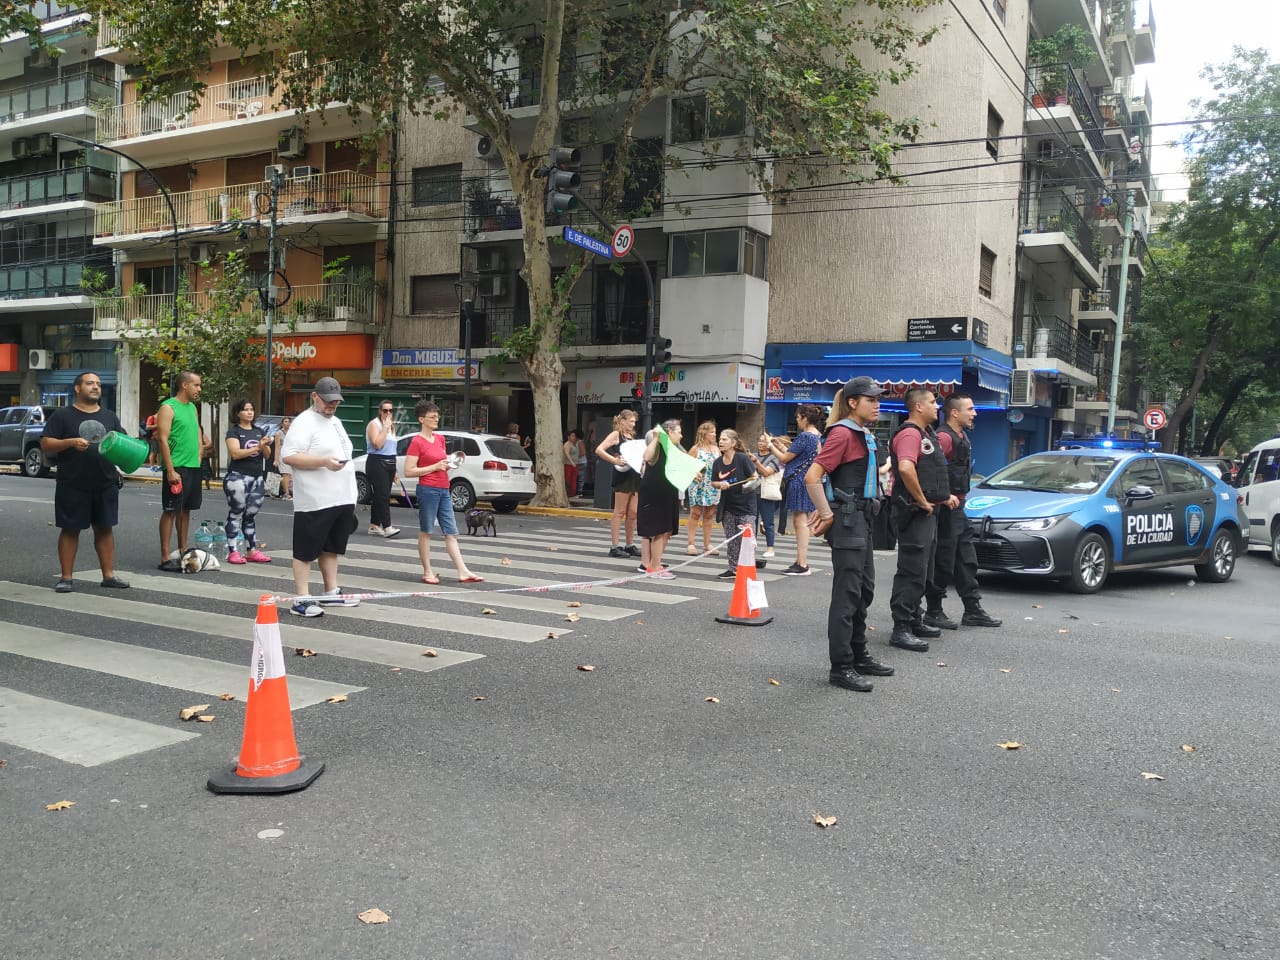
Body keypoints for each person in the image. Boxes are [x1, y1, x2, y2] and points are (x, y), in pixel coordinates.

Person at [805, 376, 895, 692]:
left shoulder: (862, 433)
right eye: (871, 399)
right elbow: (812, 476)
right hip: (848, 521)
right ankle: (841, 666)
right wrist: (827, 512)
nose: (877, 404)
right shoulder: (843, 433)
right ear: (853, 402)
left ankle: (859, 655)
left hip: (862, 520)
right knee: (847, 595)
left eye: (878, 399)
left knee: (863, 590)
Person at [39, 371, 130, 592]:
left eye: (98, 383)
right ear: (77, 388)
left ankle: (108, 575)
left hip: (105, 482)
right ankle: (66, 578)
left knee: (105, 529)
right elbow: (46, 443)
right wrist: (69, 442)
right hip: (72, 482)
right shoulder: (63, 415)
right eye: (90, 383)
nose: (95, 387)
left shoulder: (109, 416)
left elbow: (121, 443)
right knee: (70, 529)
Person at [280, 377, 362, 617]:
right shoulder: (304, 422)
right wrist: (323, 462)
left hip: (341, 497)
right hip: (315, 499)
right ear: (314, 396)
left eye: (336, 401)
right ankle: (302, 598)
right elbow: (289, 456)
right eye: (327, 401)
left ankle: (330, 591)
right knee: (305, 551)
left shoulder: (335, 421)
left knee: (331, 548)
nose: (331, 405)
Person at [887, 387, 958, 652]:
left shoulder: (926, 434)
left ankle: (914, 619)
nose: (936, 406)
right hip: (915, 513)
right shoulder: (910, 433)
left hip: (927, 513)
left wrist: (942, 497)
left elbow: (930, 473)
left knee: (924, 570)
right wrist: (922, 500)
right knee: (912, 570)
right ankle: (901, 628)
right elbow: (906, 468)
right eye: (931, 402)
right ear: (918, 407)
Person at [924, 393, 1002, 630]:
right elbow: (930, 471)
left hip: (959, 508)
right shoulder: (944, 437)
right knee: (944, 561)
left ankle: (972, 609)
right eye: (970, 409)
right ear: (954, 413)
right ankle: (933, 611)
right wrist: (943, 496)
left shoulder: (961, 436)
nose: (974, 413)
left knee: (967, 560)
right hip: (945, 509)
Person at [404, 400, 482, 585]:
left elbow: (441, 463)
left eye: (437, 416)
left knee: (451, 532)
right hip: (427, 489)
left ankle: (463, 571)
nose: (436, 419)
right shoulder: (416, 442)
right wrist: (434, 467)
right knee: (426, 531)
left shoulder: (440, 439)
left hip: (444, 487)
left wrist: (448, 464)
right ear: (421, 419)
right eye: (432, 417)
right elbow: (409, 471)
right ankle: (427, 571)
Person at [156, 371, 206, 572]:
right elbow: (162, 438)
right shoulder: (168, 407)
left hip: (193, 466)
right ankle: (165, 556)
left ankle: (182, 549)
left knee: (186, 510)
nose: (199, 389)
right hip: (177, 466)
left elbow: (197, 430)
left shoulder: (192, 408)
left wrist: (200, 450)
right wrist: (170, 469)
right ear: (184, 385)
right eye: (196, 385)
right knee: (171, 510)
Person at [769, 403, 824, 575]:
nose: (797, 421)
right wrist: (779, 445)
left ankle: (802, 563)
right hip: (808, 479)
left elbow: (785, 458)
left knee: (800, 521)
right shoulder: (817, 436)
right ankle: (800, 561)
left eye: (798, 417)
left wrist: (770, 445)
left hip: (799, 480)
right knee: (800, 520)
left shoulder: (805, 436)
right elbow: (795, 454)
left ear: (804, 418)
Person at [222, 398, 273, 565]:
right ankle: (233, 551)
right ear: (238, 413)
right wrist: (257, 447)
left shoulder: (259, 431)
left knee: (250, 515)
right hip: (238, 476)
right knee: (237, 511)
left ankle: (251, 550)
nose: (249, 412)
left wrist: (264, 445)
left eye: (251, 409)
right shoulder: (234, 432)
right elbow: (235, 453)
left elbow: (267, 455)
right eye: (245, 409)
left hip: (257, 477)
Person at [636, 420, 687, 579]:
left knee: (667, 530)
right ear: (669, 432)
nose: (681, 435)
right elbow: (646, 456)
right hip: (654, 491)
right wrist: (656, 438)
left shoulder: (674, 448)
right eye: (678, 432)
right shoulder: (658, 446)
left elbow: (682, 463)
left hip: (668, 490)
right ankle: (654, 567)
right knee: (658, 530)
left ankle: (655, 563)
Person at [709, 428, 757, 580]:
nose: (720, 442)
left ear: (733, 443)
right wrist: (720, 484)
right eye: (720, 439)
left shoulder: (742, 459)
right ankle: (733, 568)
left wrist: (744, 485)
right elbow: (713, 482)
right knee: (731, 540)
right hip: (728, 506)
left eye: (724, 439)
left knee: (746, 540)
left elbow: (754, 477)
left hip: (746, 506)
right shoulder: (718, 462)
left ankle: (748, 569)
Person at [595, 409, 641, 558]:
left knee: (633, 512)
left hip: (634, 475)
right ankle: (614, 546)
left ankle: (629, 544)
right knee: (619, 511)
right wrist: (614, 460)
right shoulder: (616, 435)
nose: (633, 424)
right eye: (631, 421)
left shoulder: (632, 437)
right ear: (622, 421)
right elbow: (599, 449)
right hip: (623, 475)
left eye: (634, 421)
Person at [365, 400, 401, 538]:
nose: (388, 413)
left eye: (391, 410)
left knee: (380, 495)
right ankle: (387, 527)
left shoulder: (392, 426)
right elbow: (377, 444)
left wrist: (395, 470)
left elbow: (392, 449)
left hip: (390, 462)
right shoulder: (374, 424)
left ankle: (374, 525)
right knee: (383, 496)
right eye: (385, 410)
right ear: (380, 411)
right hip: (377, 461)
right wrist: (385, 428)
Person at [683, 420, 719, 555]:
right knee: (695, 513)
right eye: (712, 432)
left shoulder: (716, 449)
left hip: (712, 484)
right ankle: (691, 543)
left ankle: (707, 544)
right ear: (704, 433)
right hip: (698, 484)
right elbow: (686, 465)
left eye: (715, 432)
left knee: (709, 514)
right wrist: (693, 473)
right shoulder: (695, 449)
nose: (714, 434)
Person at [748, 433, 783, 559]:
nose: (760, 443)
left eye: (763, 441)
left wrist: (756, 462)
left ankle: (770, 548)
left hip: (766, 494)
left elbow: (766, 472)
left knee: (768, 522)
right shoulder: (752, 455)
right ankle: (751, 547)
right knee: (751, 521)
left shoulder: (775, 458)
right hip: (752, 493)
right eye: (759, 440)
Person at [274, 416, 293, 500]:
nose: (287, 423)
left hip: (290, 455)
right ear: (282, 423)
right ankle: (286, 494)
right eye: (285, 421)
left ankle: (283, 489)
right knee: (286, 474)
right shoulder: (279, 433)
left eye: (289, 422)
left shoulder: (292, 433)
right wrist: (276, 459)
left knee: (289, 476)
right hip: (282, 455)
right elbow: (277, 447)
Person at [562, 429, 581, 500]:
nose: (574, 437)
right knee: (568, 479)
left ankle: (573, 493)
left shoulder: (574, 444)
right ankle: (568, 493)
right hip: (568, 464)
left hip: (575, 464)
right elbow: (567, 454)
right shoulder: (567, 444)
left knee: (574, 479)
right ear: (568, 437)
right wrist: (571, 462)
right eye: (572, 436)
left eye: (574, 436)